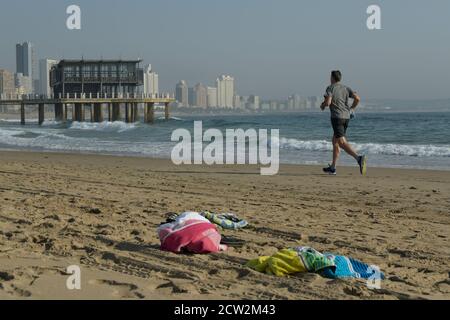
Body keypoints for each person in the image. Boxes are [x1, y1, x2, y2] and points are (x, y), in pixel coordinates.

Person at [320, 70, 367, 175]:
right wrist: (351, 109)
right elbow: (357, 99)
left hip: (337, 117)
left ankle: (359, 158)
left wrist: (323, 105)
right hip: (346, 117)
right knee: (335, 142)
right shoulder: (346, 88)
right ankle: (333, 168)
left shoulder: (330, 88)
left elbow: (328, 102)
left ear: (332, 78)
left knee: (341, 142)